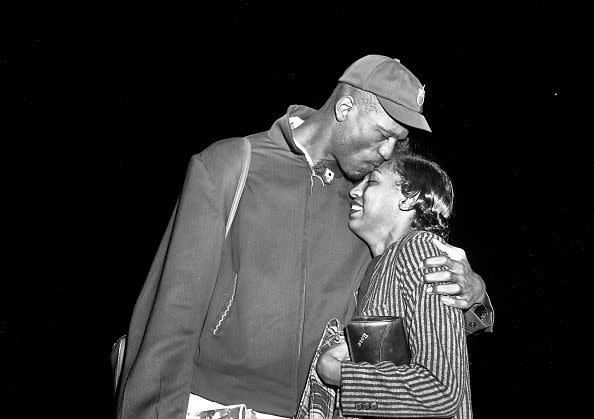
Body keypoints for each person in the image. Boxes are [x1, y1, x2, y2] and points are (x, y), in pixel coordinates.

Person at [116, 55, 492, 419]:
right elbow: (171, 315)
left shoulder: (370, 202)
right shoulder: (231, 165)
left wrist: (473, 297)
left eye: (399, 142)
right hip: (213, 405)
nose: (387, 153)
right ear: (345, 109)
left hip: (322, 408)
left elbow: (408, 308)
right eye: (383, 135)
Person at [311, 154, 472, 418]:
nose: (354, 191)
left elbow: (440, 390)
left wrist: (339, 374)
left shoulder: (419, 248)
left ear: (408, 198)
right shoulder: (380, 265)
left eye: (371, 182)